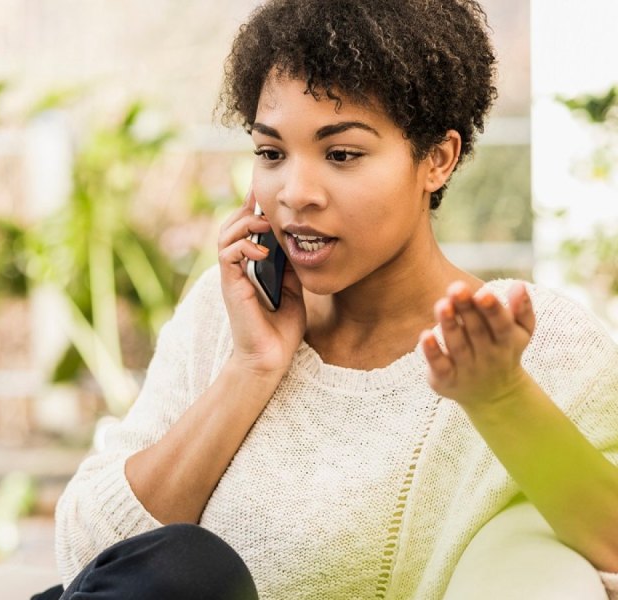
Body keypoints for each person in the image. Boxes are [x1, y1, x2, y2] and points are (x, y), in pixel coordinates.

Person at [42, 0, 618, 598]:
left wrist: (500, 398)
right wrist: (251, 368)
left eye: (341, 154)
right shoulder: (230, 311)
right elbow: (88, 562)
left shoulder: (530, 340)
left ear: (437, 160)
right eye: (271, 153)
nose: (295, 193)